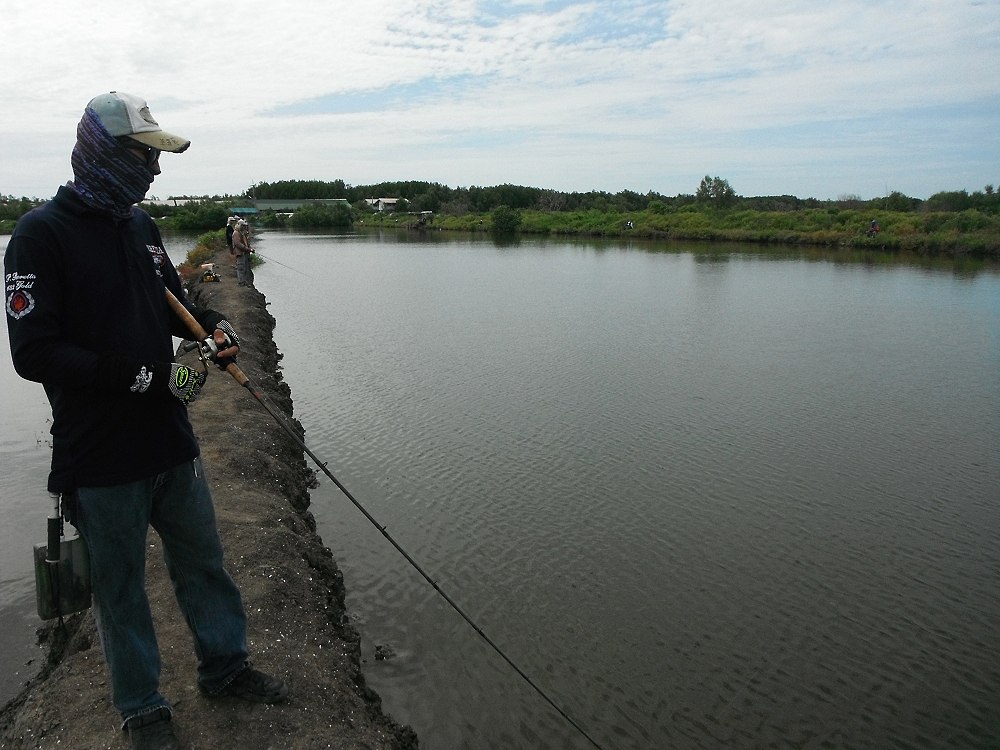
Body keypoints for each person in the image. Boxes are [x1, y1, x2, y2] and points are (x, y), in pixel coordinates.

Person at [3, 91, 287, 750]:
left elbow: (172, 305)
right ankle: (143, 712)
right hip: (99, 460)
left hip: (170, 442)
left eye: (154, 159)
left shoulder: (138, 226)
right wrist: (143, 378)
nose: (151, 171)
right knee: (121, 592)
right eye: (140, 156)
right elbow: (34, 351)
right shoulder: (38, 236)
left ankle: (226, 667)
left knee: (205, 567)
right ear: (99, 152)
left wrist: (213, 326)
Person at [232, 218, 255, 287]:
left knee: (245, 269)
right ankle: (241, 283)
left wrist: (250, 248)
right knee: (241, 268)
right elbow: (238, 244)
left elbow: (246, 243)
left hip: (244, 253)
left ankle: (245, 282)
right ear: (240, 226)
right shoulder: (236, 233)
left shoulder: (242, 233)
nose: (245, 227)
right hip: (240, 254)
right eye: (243, 226)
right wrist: (247, 249)